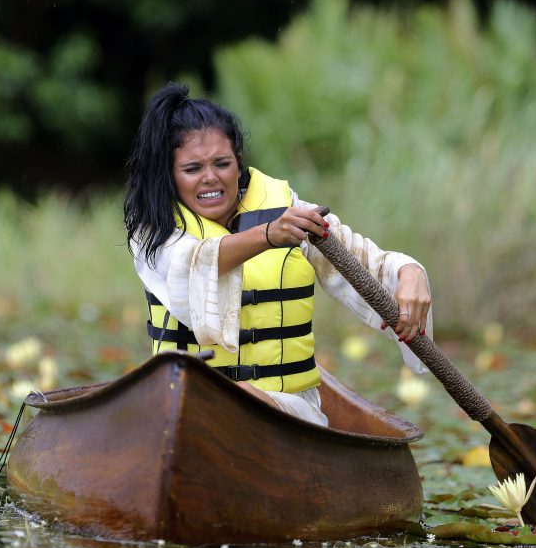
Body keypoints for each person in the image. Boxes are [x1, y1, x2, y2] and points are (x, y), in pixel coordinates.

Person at [124, 83, 432, 427]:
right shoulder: (153, 229)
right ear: (170, 176)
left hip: (289, 411)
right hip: (183, 406)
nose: (210, 178)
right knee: (196, 398)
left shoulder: (287, 208)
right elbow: (190, 265)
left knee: (215, 400)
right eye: (192, 168)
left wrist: (410, 272)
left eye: (222, 163)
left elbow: (365, 263)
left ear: (239, 163)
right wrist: (268, 235)